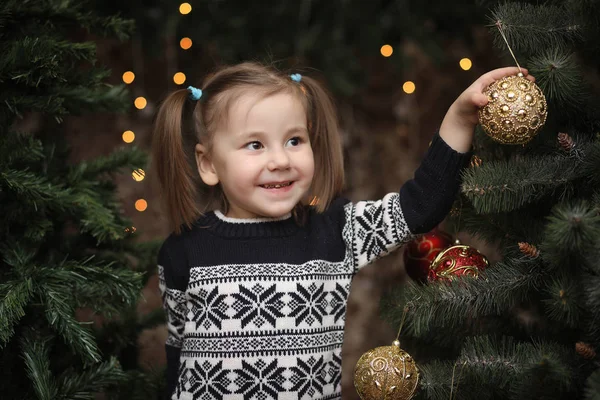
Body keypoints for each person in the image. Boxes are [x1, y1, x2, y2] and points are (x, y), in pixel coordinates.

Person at [152, 62, 533, 400]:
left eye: (294, 140)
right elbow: (177, 353)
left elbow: (420, 207)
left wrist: (461, 118)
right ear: (208, 164)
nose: (281, 160)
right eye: (255, 144)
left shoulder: (338, 231)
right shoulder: (183, 251)